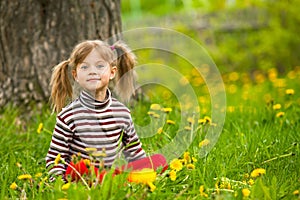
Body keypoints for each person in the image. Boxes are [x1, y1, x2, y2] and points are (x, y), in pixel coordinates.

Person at [45, 40, 167, 182]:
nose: (92, 71)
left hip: (111, 174)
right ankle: (112, 181)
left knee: (159, 160)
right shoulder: (69, 116)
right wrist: (60, 184)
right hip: (82, 177)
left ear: (112, 73)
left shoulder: (122, 113)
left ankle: (114, 181)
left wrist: (144, 169)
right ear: (75, 75)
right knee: (79, 167)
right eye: (84, 67)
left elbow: (135, 153)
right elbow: (54, 160)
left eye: (100, 66)